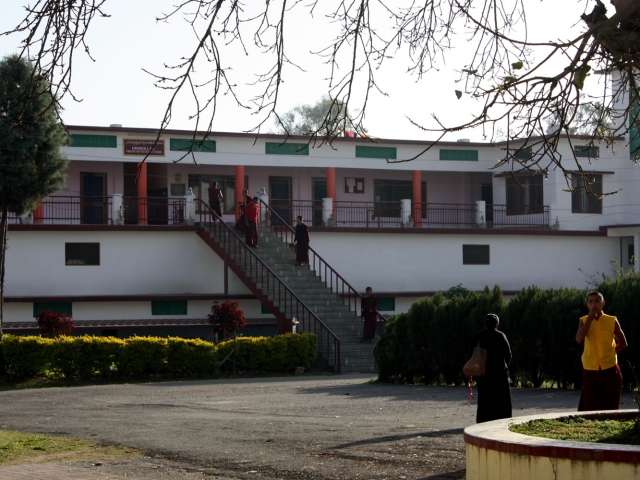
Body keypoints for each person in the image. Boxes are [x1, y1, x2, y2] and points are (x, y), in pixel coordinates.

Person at [576, 291, 628, 411]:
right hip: (590, 367)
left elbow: (623, 343)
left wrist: (610, 353)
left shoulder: (611, 320)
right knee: (589, 403)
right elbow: (579, 339)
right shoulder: (583, 320)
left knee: (610, 402)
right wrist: (590, 319)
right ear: (587, 305)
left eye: (597, 301)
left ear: (603, 303)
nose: (594, 305)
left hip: (609, 367)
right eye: (591, 302)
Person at [468, 313, 512, 423]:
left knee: (485, 399)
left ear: (484, 324)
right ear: (497, 325)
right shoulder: (501, 336)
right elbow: (508, 354)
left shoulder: (478, 336)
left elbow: (471, 354)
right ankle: (502, 420)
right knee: (502, 399)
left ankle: (484, 420)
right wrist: (505, 367)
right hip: (499, 373)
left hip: (483, 373)